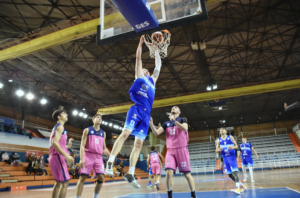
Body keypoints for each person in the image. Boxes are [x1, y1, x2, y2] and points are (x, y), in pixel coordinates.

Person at [105, 36, 162, 189]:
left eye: (147, 71)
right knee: (124, 134)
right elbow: (138, 58)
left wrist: (156, 51)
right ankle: (110, 161)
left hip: (146, 115)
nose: (146, 70)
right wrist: (140, 43)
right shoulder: (139, 77)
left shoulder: (152, 82)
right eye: (144, 70)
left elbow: (158, 67)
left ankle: (130, 173)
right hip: (136, 109)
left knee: (138, 145)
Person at [149, 106, 197, 198]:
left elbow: (185, 128)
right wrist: (151, 124)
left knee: (187, 174)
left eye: (176, 108)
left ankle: (193, 195)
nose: (174, 108)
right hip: (170, 151)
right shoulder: (166, 123)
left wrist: (174, 121)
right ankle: (170, 196)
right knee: (168, 172)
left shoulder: (183, 119)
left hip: (182, 149)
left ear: (179, 113)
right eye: (172, 110)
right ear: (170, 113)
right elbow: (157, 133)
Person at [75, 114, 111, 198]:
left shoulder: (103, 133)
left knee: (101, 177)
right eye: (97, 117)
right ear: (93, 119)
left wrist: (111, 155)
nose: (99, 119)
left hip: (98, 157)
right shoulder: (87, 130)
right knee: (82, 177)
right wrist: (81, 158)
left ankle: (95, 197)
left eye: (101, 118)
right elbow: (82, 145)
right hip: (88, 155)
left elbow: (104, 148)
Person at [49, 107, 74, 198]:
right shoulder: (60, 127)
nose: (66, 114)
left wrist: (67, 146)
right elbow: (54, 143)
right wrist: (67, 155)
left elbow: (57, 144)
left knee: (58, 182)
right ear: (59, 117)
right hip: (58, 157)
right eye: (64, 113)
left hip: (54, 156)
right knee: (65, 182)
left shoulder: (57, 127)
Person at [216, 127, 246, 195]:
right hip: (225, 158)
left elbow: (237, 146)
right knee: (229, 174)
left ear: (226, 131)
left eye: (223, 130)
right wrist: (218, 150)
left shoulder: (231, 137)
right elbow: (216, 150)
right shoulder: (218, 140)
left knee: (234, 171)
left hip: (231, 156)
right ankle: (241, 185)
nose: (222, 131)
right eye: (220, 130)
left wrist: (232, 147)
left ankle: (238, 188)